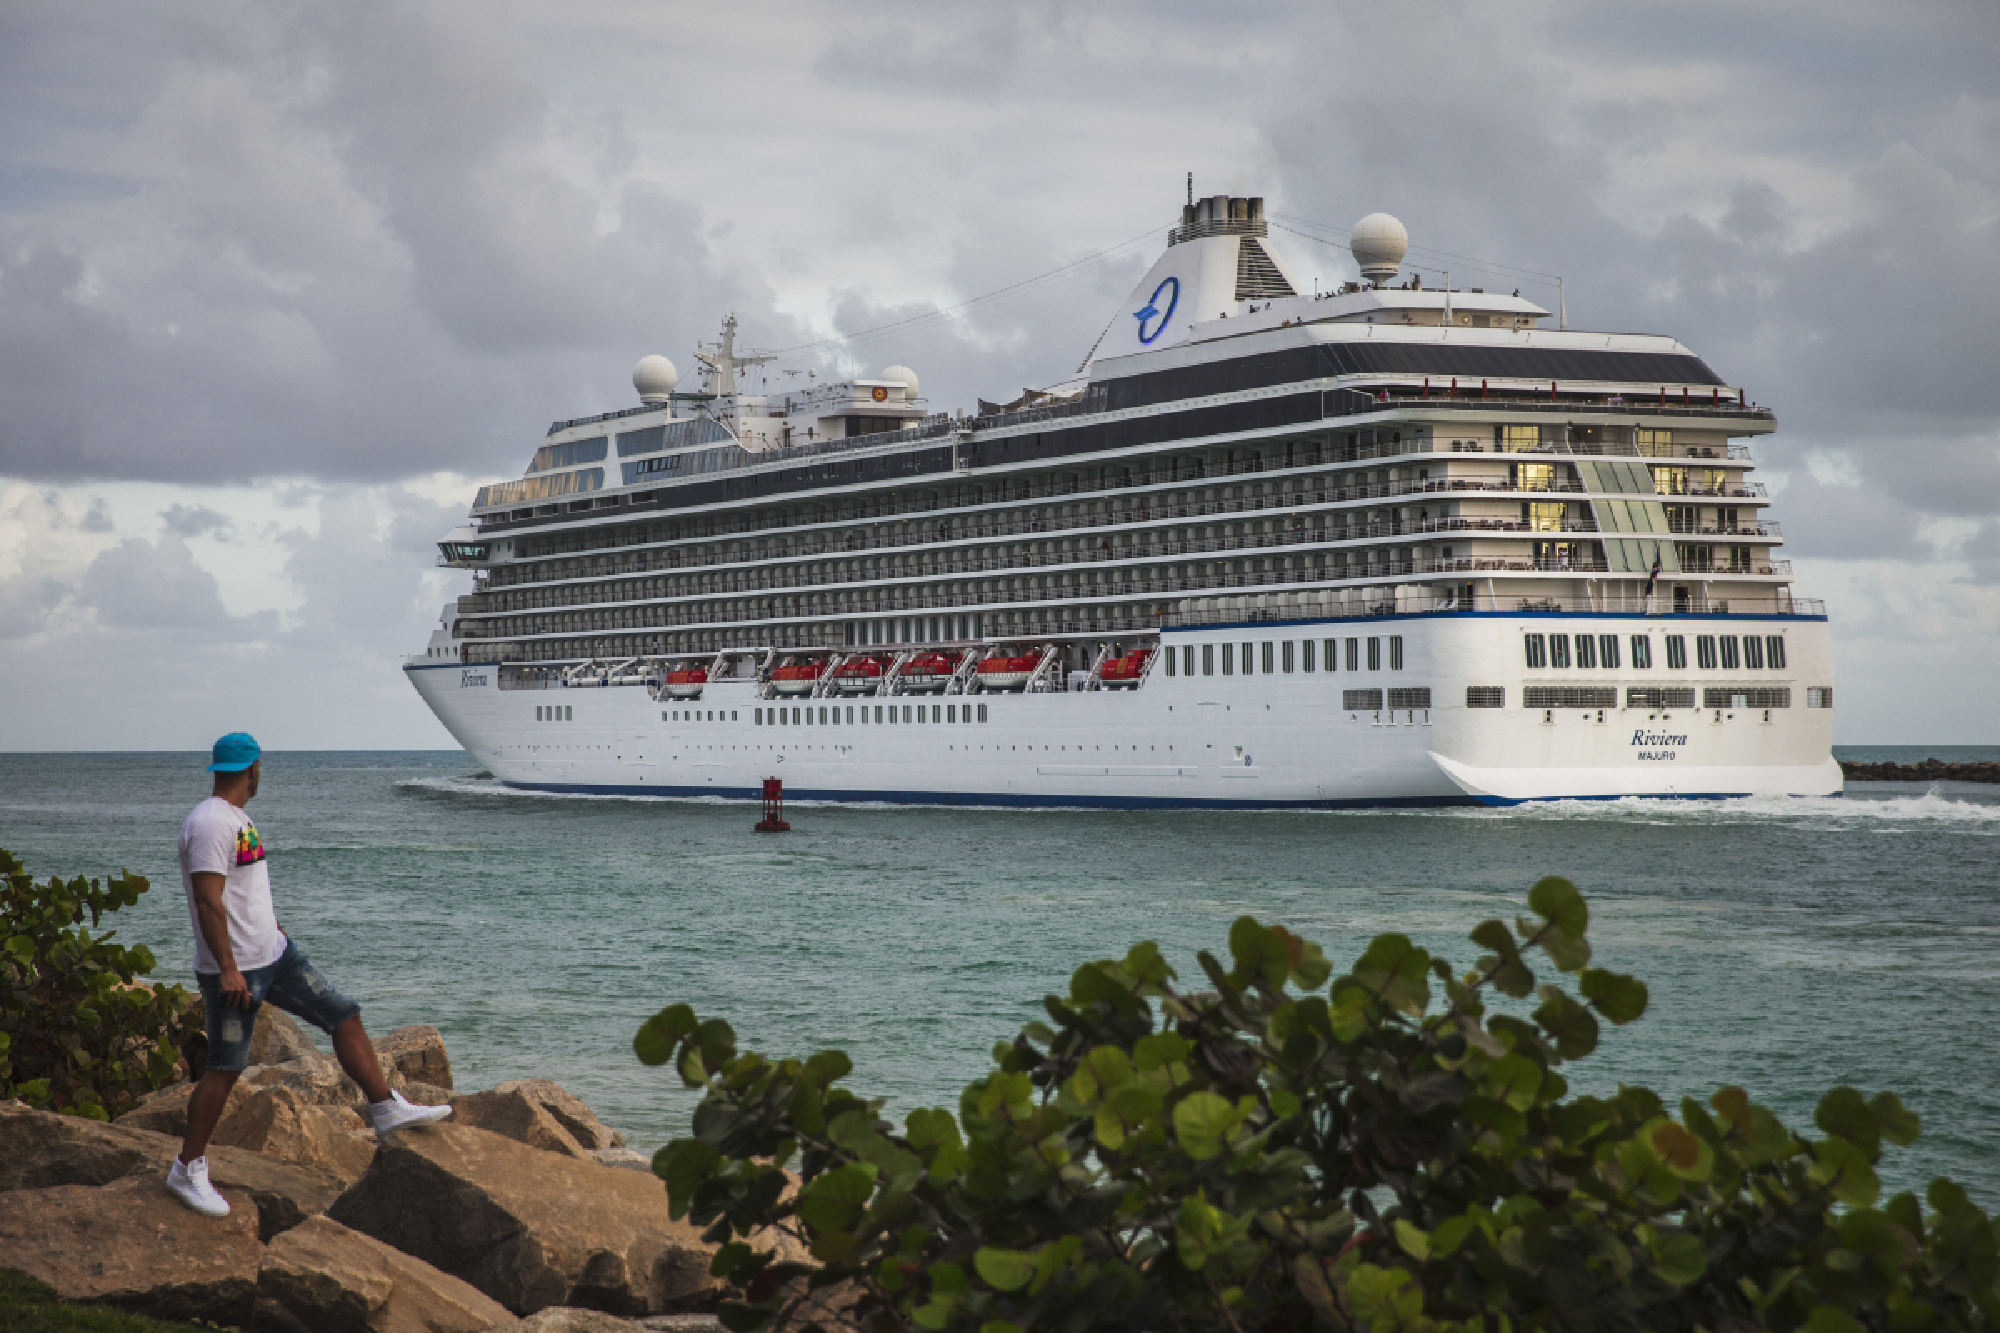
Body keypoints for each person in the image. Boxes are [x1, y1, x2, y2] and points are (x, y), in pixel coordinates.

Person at [165, 733, 451, 1219]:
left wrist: (271, 927)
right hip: (236, 975)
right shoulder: (211, 823)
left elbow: (240, 890)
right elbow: (208, 900)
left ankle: (385, 1108)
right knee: (225, 1069)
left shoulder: (236, 819)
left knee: (344, 1015)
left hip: (277, 957)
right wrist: (230, 969)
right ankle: (187, 1168)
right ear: (253, 768)